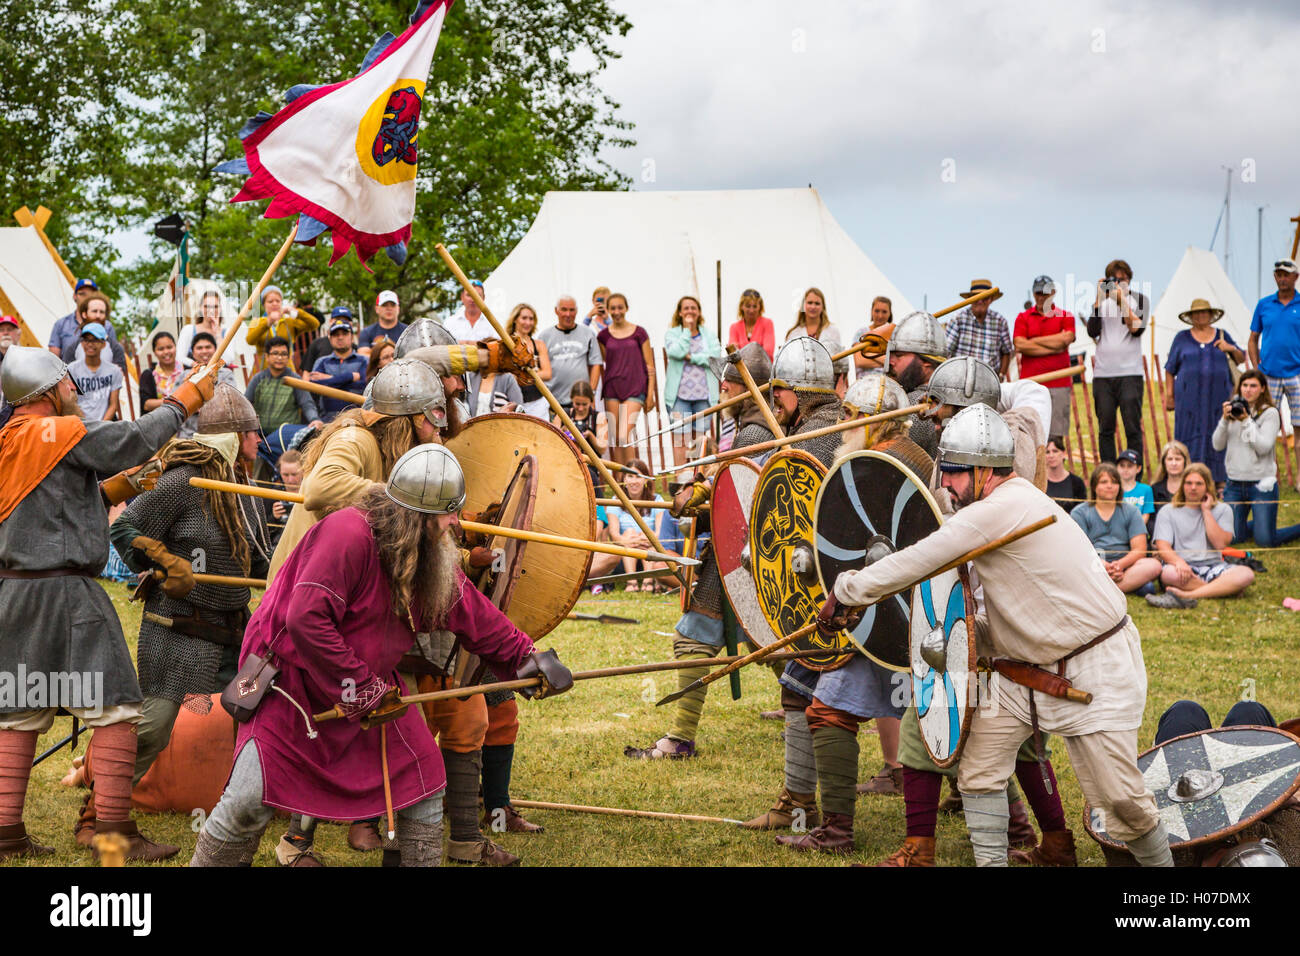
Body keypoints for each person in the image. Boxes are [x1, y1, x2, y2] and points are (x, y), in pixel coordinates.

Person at [189, 446, 573, 866]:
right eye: (448, 515)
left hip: (369, 686)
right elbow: (306, 620)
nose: (456, 524)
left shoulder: (427, 554)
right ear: (417, 517)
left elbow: (468, 609)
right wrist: (362, 689)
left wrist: (527, 656)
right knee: (248, 799)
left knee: (423, 779)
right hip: (292, 684)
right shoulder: (347, 534)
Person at [830, 404, 1174, 868]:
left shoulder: (1003, 506)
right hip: (1025, 672)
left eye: (952, 473)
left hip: (1098, 666)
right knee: (979, 772)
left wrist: (848, 590)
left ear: (984, 471)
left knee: (1123, 804)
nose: (945, 484)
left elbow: (922, 558)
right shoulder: (991, 508)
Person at [0, 345, 214, 861]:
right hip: (67, 594)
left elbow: (47, 505)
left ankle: (4, 834)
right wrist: (184, 399)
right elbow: (132, 439)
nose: (75, 391)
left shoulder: (7, 441)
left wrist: (113, 488)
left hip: (13, 594)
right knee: (117, 707)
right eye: (68, 384)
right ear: (48, 392)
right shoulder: (56, 432)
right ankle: (111, 834)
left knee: (18, 710)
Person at [80, 386, 270, 842]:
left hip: (232, 629)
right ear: (234, 436)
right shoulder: (185, 480)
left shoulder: (242, 487)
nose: (258, 441)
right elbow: (125, 527)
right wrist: (164, 561)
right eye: (251, 433)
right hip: (177, 630)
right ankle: (98, 816)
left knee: (261, 711)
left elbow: (257, 559)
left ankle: (253, 806)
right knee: (154, 727)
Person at [742, 337, 844, 831]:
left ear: (794, 394)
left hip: (833, 598)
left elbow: (792, 521)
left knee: (800, 692)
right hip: (867, 592)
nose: (774, 403)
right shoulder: (844, 426)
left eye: (779, 394)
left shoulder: (809, 441)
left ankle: (801, 806)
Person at [267, 358, 450, 582]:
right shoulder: (355, 437)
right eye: (433, 416)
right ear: (410, 419)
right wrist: (398, 497)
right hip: (299, 585)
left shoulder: (395, 452)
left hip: (337, 579)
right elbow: (320, 487)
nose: (439, 426)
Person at [1147, 462, 1252, 609]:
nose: (1193, 488)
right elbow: (1163, 546)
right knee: (1168, 574)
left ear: (1208, 486)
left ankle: (1188, 595)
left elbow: (1220, 544)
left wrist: (1206, 511)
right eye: (1188, 483)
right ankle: (1223, 589)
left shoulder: (1223, 509)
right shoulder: (1168, 510)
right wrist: (1179, 563)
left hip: (1214, 567)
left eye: (1199, 484)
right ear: (1182, 485)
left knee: (1246, 574)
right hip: (1182, 568)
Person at [1215, 370, 1300, 546]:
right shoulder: (1234, 409)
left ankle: (1277, 527)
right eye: (1244, 385)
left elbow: (1263, 447)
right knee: (1233, 538)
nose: (1248, 390)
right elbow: (1217, 445)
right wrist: (1224, 420)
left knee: (1265, 541)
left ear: (1262, 388)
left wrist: (1246, 421)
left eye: (1253, 386)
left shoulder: (1270, 413)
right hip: (1234, 484)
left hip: (1262, 484)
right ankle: (1262, 522)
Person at [1163, 298, 1244, 483]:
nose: (1201, 316)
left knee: (1218, 433)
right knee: (1188, 434)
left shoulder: (1223, 335)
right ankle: (1188, 477)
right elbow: (1169, 369)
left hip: (1218, 398)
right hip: (1188, 401)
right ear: (1191, 317)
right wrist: (1169, 396)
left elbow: (1240, 359)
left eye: (1204, 313)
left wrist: (1229, 347)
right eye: (1197, 313)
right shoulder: (1182, 338)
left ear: (1211, 315)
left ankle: (1219, 479)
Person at [1086, 259, 1149, 465]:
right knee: (1105, 428)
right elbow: (1092, 331)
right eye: (1114, 280)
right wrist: (1098, 297)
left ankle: (1134, 470)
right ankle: (1108, 472)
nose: (1118, 284)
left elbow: (1136, 329)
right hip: (1103, 374)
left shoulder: (1139, 300)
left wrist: (1121, 301)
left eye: (1122, 280)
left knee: (1132, 427)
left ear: (1129, 280)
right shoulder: (1101, 303)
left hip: (1130, 372)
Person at [1070, 464, 1163, 594]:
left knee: (1154, 565)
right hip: (1093, 565)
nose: (1110, 486)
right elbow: (1078, 549)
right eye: (1104, 482)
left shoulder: (1132, 511)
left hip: (1125, 567)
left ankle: (1105, 592)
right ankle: (1125, 587)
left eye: (1114, 482)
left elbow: (1140, 549)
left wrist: (1119, 565)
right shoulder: (1079, 513)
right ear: (1094, 486)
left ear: (1119, 487)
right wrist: (1102, 565)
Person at [1248, 258, 1300, 489]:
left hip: (1296, 374)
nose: (1282, 278)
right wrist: (1256, 369)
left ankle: (1299, 478)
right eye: (1279, 274)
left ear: (1295, 277)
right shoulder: (1263, 304)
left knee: (1299, 428)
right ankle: (1263, 476)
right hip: (1268, 375)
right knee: (1264, 427)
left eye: (1287, 274)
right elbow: (1252, 339)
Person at [597, 293, 656, 464]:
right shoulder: (603, 336)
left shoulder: (639, 333)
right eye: (613, 308)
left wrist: (650, 393)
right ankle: (623, 483)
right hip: (612, 390)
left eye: (620, 307)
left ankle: (633, 474)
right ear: (608, 310)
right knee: (617, 439)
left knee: (624, 434)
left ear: (626, 308)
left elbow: (650, 366)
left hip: (635, 388)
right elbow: (607, 361)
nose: (616, 311)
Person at [1013, 276, 1076, 435]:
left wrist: (1032, 342)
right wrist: (1056, 345)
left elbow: (1066, 339)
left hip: (1059, 384)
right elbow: (1020, 344)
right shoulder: (1023, 317)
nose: (1041, 297)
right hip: (1031, 384)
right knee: (1029, 433)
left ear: (1053, 293)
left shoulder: (1065, 315)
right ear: (1034, 294)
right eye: (1038, 293)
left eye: (1045, 293)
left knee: (1056, 435)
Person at [664, 295, 721, 466]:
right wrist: (687, 331)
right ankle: (681, 481)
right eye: (686, 308)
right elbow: (676, 352)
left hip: (703, 396)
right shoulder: (672, 334)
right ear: (680, 313)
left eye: (693, 308)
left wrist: (692, 357)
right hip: (679, 397)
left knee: (700, 442)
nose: (690, 311)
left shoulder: (709, 335)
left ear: (698, 312)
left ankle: (697, 481)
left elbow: (714, 357)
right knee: (680, 440)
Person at [885, 310, 949, 456]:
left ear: (926, 363)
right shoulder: (947, 401)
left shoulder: (914, 408)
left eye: (899, 355)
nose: (891, 362)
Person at [604, 460, 669, 592]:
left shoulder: (657, 500)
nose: (634, 481)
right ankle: (631, 582)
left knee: (647, 534)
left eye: (638, 476)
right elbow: (614, 535)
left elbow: (660, 531)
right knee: (629, 532)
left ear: (645, 480)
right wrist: (631, 540)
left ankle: (648, 581)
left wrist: (643, 539)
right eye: (630, 476)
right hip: (625, 557)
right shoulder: (615, 501)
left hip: (652, 552)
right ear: (624, 479)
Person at [538, 295, 602, 417]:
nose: (568, 314)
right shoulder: (544, 336)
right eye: (564, 310)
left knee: (583, 435)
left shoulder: (587, 334)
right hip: (554, 402)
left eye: (571, 310)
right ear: (556, 311)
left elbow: (596, 364)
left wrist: (591, 393)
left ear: (576, 311)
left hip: (580, 404)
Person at [245, 336, 323, 434]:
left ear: (289, 357)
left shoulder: (295, 380)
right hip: (260, 435)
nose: (280, 357)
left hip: (285, 435)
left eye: (284, 354)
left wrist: (314, 419)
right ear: (267, 357)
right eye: (275, 353)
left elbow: (307, 404)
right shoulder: (258, 379)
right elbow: (246, 403)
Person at [945, 279, 1012, 379]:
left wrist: (1001, 376)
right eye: (976, 297)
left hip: (989, 381)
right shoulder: (958, 319)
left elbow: (1006, 352)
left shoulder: (1000, 322)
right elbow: (946, 352)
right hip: (960, 379)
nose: (980, 301)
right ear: (970, 299)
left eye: (984, 298)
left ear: (991, 300)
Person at [309, 316, 368, 421]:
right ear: (330, 338)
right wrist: (350, 376)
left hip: (358, 418)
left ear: (351, 337)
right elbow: (314, 387)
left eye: (344, 334)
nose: (340, 337)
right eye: (336, 335)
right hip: (328, 420)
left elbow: (364, 384)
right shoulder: (322, 361)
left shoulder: (364, 360)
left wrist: (329, 379)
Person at [179, 332, 236, 439]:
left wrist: (205, 405)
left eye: (208, 347)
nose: (204, 351)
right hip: (189, 435)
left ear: (215, 350)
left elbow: (232, 401)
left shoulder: (226, 374)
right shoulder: (185, 376)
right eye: (199, 348)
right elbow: (177, 404)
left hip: (219, 435)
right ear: (193, 352)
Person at [59, 291, 127, 378]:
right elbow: (67, 379)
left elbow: (117, 379)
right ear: (84, 314)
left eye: (102, 312)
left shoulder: (116, 349)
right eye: (94, 311)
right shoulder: (73, 349)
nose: (98, 316)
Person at [48, 277, 116, 358]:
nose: (87, 297)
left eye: (91, 294)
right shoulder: (60, 324)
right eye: (82, 294)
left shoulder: (107, 326)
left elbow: (114, 356)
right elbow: (54, 360)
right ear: (74, 296)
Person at [245, 286, 319, 360]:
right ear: (264, 304)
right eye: (270, 301)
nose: (274, 304)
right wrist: (267, 322)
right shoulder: (257, 322)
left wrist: (297, 312)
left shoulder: (289, 321)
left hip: (286, 367)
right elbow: (250, 340)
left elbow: (314, 324)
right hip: (264, 368)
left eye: (278, 301)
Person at [67, 323, 123, 422]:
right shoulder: (72, 370)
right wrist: (86, 425)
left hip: (105, 426)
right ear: (82, 343)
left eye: (95, 340)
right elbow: (71, 402)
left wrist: (101, 427)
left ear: (103, 344)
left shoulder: (114, 371)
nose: (90, 344)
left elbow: (113, 404)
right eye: (86, 340)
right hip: (80, 424)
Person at [506, 303, 552, 418]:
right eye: (524, 318)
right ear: (515, 319)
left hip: (538, 402)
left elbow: (547, 373)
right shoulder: (506, 344)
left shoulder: (539, 345)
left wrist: (522, 375)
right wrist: (533, 374)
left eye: (531, 319)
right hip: (512, 403)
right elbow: (506, 376)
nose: (528, 322)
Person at [562, 381, 609, 487]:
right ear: (571, 399)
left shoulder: (598, 417)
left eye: (584, 404)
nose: (580, 408)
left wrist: (590, 436)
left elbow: (602, 448)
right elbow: (552, 441)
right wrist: (564, 431)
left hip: (590, 467)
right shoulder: (563, 414)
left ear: (591, 401)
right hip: (565, 464)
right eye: (577, 404)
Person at [784, 287, 844, 368]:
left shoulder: (833, 331)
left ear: (823, 307)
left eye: (817, 303)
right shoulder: (793, 333)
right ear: (803, 305)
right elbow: (788, 363)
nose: (813, 307)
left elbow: (839, 363)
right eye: (810, 303)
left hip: (827, 378)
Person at [177, 289, 228, 368]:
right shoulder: (188, 330)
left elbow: (228, 359)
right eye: (206, 306)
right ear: (200, 308)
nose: (211, 310)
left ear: (220, 309)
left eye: (215, 306)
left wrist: (218, 333)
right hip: (192, 375)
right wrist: (199, 367)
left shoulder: (227, 332)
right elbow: (179, 357)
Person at [138, 332, 186, 413]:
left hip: (187, 423)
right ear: (154, 352)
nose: (166, 352)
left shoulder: (187, 371)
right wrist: (174, 402)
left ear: (175, 347)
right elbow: (146, 405)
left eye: (169, 347)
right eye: (161, 349)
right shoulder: (149, 375)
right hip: (160, 423)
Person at [728, 288, 776, 360]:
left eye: (755, 306)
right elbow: (733, 353)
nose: (751, 310)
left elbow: (768, 353)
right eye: (748, 306)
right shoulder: (734, 327)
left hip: (763, 369)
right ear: (742, 306)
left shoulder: (767, 323)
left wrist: (741, 354)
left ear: (760, 307)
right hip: (740, 371)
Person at [303, 306, 354, 372]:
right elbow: (307, 373)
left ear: (351, 324)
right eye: (338, 319)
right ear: (330, 321)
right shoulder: (316, 345)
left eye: (345, 320)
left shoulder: (356, 351)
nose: (341, 322)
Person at [358, 290, 407, 356]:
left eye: (392, 305)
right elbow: (363, 354)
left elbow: (414, 355)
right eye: (384, 305)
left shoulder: (408, 331)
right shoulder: (366, 332)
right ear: (377, 309)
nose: (389, 308)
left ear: (398, 308)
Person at [1044, 435, 1086, 511]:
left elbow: (1082, 511)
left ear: (1063, 454)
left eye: (1055, 451)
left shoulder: (1077, 483)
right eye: (1047, 452)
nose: (1051, 455)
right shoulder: (1039, 482)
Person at [1115, 449, 1155, 529]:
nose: (1125, 469)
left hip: (1138, 530)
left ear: (1138, 469)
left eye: (1130, 466)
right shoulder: (1113, 489)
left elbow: (1146, 514)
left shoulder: (1146, 489)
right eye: (1122, 465)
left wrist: (1135, 530)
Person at [852, 296, 893, 372]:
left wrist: (867, 353)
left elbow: (893, 364)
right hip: (864, 382)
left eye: (884, 312)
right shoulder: (862, 333)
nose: (880, 316)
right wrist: (885, 360)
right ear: (871, 311)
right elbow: (859, 361)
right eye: (877, 311)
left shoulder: (894, 335)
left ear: (890, 313)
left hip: (887, 382)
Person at [1150, 439, 1190, 507]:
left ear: (1185, 462)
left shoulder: (1193, 487)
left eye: (1178, 459)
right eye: (1170, 459)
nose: (1173, 463)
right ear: (1164, 463)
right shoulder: (1154, 490)